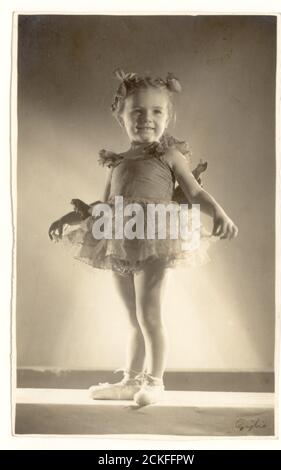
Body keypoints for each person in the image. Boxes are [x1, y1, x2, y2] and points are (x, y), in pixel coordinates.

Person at [48, 68, 238, 406]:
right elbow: (104, 206)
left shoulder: (169, 155)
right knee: (133, 318)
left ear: (167, 116)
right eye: (136, 111)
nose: (146, 119)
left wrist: (220, 213)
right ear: (120, 117)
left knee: (150, 314)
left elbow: (193, 193)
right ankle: (130, 380)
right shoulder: (117, 161)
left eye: (156, 112)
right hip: (120, 240)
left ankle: (155, 382)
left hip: (154, 239)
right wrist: (70, 216)